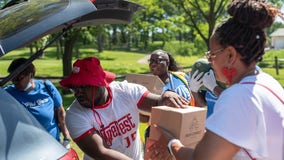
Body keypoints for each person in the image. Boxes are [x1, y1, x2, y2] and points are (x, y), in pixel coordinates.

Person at [149, 0, 284, 159]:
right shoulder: (267, 82)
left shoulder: (238, 96)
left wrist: (171, 143)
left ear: (230, 55)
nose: (210, 61)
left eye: (212, 54)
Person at [59, 57, 189, 160]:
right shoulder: (75, 115)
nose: (78, 92)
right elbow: (102, 152)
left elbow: (157, 103)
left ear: (100, 84)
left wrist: (166, 95)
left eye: (84, 86)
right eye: (75, 87)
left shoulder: (125, 91)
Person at [4, 58, 70, 146]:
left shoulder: (47, 87)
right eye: (12, 78)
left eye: (19, 78)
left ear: (30, 75)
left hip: (53, 144)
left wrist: (66, 138)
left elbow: (61, 113)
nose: (15, 81)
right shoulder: (8, 93)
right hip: (26, 147)